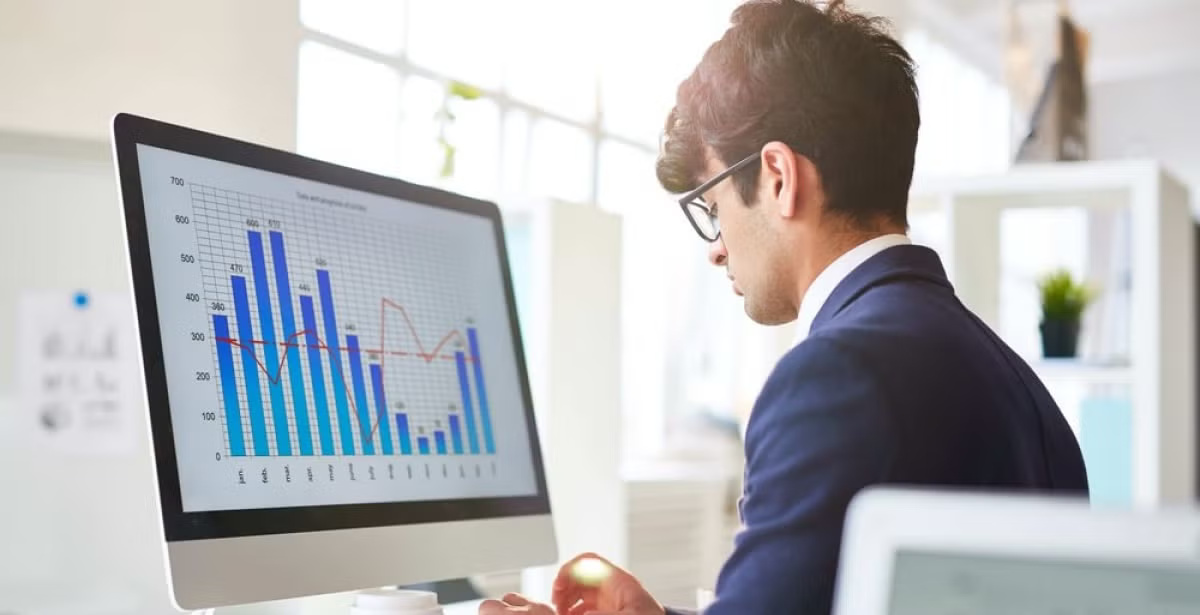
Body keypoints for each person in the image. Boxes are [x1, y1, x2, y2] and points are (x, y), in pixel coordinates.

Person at [481, 0, 1089, 613]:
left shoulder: (835, 376)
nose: (717, 250)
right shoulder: (1012, 378)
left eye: (714, 208)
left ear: (778, 177)